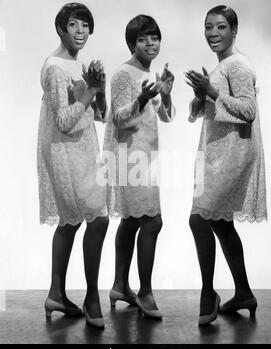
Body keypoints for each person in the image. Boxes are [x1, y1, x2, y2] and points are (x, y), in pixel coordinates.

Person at [185, 5, 267, 325]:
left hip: (233, 155)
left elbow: (248, 111)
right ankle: (244, 292)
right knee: (219, 223)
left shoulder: (239, 65)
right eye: (208, 27)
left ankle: (208, 293)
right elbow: (197, 114)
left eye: (220, 27)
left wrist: (213, 90)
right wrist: (199, 94)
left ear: (234, 30)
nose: (213, 34)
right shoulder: (221, 67)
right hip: (217, 153)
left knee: (199, 220)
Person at [37, 3, 109, 329]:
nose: (80, 32)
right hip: (64, 152)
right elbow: (64, 121)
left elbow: (100, 114)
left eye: (85, 26)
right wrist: (89, 90)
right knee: (97, 219)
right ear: (61, 29)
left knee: (71, 222)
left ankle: (56, 294)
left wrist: (99, 88)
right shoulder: (55, 67)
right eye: (74, 25)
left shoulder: (75, 64)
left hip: (82, 150)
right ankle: (92, 297)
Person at [103, 14, 175, 319]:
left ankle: (120, 286)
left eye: (154, 37)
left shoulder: (152, 72)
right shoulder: (123, 74)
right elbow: (118, 117)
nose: (150, 43)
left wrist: (166, 94)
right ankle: (145, 293)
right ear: (132, 43)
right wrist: (143, 98)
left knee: (132, 221)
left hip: (145, 157)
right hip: (127, 157)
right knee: (152, 222)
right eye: (143, 39)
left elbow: (167, 117)